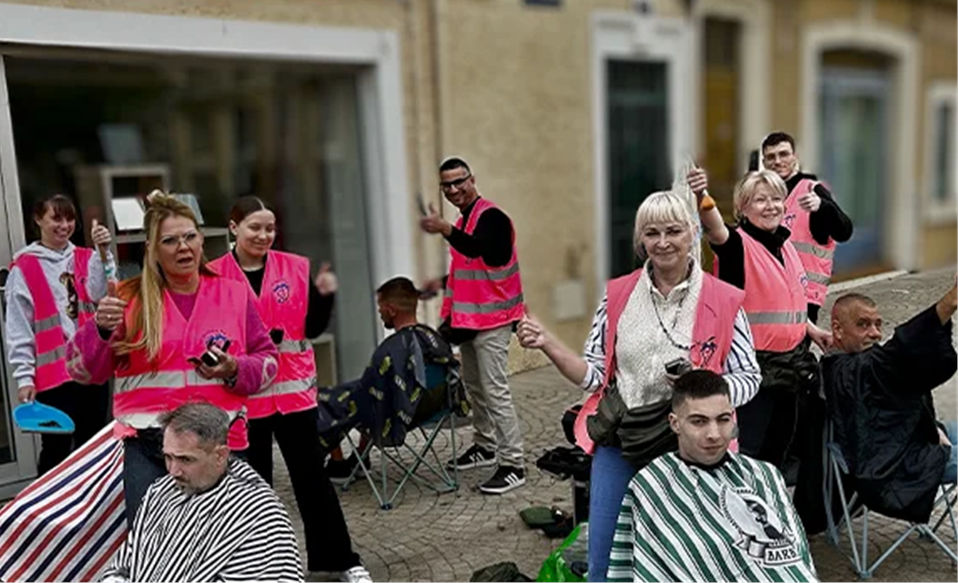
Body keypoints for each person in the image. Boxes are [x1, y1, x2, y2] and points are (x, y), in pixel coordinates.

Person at [517, 191, 761, 581]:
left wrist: (700, 386)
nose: (663, 242)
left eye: (673, 231)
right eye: (652, 233)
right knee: (604, 562)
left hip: (695, 450)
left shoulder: (724, 298)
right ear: (640, 240)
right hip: (624, 441)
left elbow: (750, 377)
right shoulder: (617, 295)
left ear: (693, 233)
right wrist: (548, 343)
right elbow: (595, 374)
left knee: (691, 564)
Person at [67, 191, 278, 523]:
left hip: (221, 446)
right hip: (150, 450)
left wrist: (234, 367)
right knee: (158, 550)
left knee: (226, 551)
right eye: (170, 240)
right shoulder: (125, 298)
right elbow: (82, 371)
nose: (184, 246)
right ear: (152, 249)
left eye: (190, 236)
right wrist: (100, 330)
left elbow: (268, 363)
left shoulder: (234, 293)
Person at [207, 196, 371, 583]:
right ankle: (254, 569)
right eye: (255, 228)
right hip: (243, 397)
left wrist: (326, 296)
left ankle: (341, 561)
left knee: (313, 482)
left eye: (270, 228)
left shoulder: (295, 268)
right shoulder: (212, 275)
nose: (264, 235)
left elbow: (311, 329)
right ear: (233, 228)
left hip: (292, 395)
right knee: (250, 488)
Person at [606, 370, 817, 582]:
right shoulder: (653, 485)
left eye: (723, 420)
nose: (714, 434)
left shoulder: (765, 475)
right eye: (699, 422)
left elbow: (797, 558)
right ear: (675, 423)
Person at [691, 168, 832, 469]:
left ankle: (769, 507)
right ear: (742, 208)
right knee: (750, 453)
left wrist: (811, 329)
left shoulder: (786, 245)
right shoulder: (736, 246)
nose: (771, 206)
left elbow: (786, 302)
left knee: (778, 451)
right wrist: (702, 196)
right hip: (756, 372)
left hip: (791, 368)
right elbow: (716, 230)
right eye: (760, 200)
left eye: (776, 199)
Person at [99, 402, 302, 582]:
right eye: (168, 457)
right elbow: (124, 563)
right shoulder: (161, 491)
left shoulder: (257, 512)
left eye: (186, 460)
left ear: (220, 455)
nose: (173, 471)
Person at [419, 156, 526, 495]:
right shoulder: (463, 221)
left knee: (495, 391)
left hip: (493, 320)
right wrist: (439, 283)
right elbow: (470, 268)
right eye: (447, 185)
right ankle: (485, 444)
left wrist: (446, 231)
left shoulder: (491, 217)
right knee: (475, 388)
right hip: (469, 320)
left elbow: (488, 253)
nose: (453, 190)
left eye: (459, 182)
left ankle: (513, 464)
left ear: (472, 179)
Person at [822, 280, 957, 523]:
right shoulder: (845, 371)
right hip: (890, 468)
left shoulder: (864, 363)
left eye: (877, 324)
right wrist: (947, 305)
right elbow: (895, 356)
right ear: (838, 330)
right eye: (863, 325)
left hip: (915, 440)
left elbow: (909, 375)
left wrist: (934, 430)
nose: (875, 333)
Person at [4, 194, 113, 473]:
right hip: (53, 376)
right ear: (38, 220)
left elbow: (101, 293)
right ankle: (47, 510)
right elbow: (19, 328)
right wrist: (24, 377)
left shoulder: (86, 257)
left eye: (69, 219)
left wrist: (103, 252)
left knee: (94, 442)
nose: (64, 225)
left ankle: (94, 508)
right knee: (56, 447)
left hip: (90, 368)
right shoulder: (25, 267)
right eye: (56, 218)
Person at [314, 277, 464, 459]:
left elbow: (367, 395)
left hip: (394, 415)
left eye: (380, 306)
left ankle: (338, 465)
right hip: (429, 409)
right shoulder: (433, 338)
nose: (379, 311)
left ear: (391, 310)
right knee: (370, 390)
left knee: (320, 400)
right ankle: (361, 457)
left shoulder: (389, 351)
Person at [760, 132, 853, 322]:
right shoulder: (762, 195)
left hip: (804, 297)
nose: (777, 161)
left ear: (795, 157)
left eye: (784, 154)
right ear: (764, 162)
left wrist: (823, 207)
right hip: (769, 292)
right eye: (771, 157)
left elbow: (844, 231)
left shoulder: (812, 190)